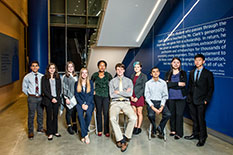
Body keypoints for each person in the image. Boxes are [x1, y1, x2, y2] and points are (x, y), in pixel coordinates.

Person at [184, 54, 214, 147]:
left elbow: (211, 88)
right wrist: (188, 97)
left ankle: (202, 137)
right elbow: (190, 86)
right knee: (194, 119)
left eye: (199, 60)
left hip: (201, 101)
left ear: (203, 61)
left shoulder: (208, 73)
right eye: (196, 60)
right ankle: (195, 134)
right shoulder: (192, 72)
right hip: (192, 100)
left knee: (201, 119)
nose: (197, 62)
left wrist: (206, 100)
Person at [109, 63, 137, 152]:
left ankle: (126, 137)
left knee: (133, 117)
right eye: (118, 69)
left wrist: (118, 92)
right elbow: (111, 95)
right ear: (116, 70)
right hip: (115, 103)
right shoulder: (112, 81)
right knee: (112, 118)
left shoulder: (129, 81)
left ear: (124, 70)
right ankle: (120, 139)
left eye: (121, 69)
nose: (120, 71)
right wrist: (124, 92)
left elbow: (129, 94)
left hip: (126, 103)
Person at [145, 67, 171, 139]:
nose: (155, 73)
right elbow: (147, 97)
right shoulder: (148, 83)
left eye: (157, 71)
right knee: (150, 115)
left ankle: (160, 127)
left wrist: (162, 106)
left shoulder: (163, 83)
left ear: (159, 73)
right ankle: (154, 127)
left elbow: (165, 95)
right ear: (151, 74)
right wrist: (153, 107)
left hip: (161, 102)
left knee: (168, 114)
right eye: (153, 72)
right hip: (151, 102)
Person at [164, 57, 187, 140]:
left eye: (178, 62)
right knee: (172, 114)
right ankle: (173, 130)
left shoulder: (183, 73)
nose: (176, 64)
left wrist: (171, 84)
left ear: (180, 64)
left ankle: (179, 133)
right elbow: (166, 84)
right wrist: (177, 84)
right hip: (170, 97)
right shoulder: (168, 73)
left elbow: (183, 84)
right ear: (171, 63)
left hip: (181, 97)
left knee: (179, 115)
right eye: (174, 62)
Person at [22, 61, 44, 139]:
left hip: (40, 98)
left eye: (36, 66)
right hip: (32, 98)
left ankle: (40, 128)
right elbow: (24, 88)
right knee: (31, 115)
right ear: (31, 67)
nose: (35, 67)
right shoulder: (27, 77)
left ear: (38, 67)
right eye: (33, 66)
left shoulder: (42, 76)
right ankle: (30, 131)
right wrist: (30, 95)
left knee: (40, 114)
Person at [91, 60, 112, 137]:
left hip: (106, 96)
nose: (102, 67)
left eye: (103, 65)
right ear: (98, 66)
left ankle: (106, 130)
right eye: (100, 65)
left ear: (105, 67)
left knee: (106, 113)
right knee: (98, 113)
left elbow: (112, 84)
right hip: (97, 96)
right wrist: (93, 91)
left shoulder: (108, 75)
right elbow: (90, 83)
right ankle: (99, 130)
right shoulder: (95, 75)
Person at [41, 63, 62, 140]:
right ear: (48, 69)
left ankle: (55, 131)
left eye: (53, 68)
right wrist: (51, 98)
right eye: (50, 68)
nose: (52, 69)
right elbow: (44, 90)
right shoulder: (44, 78)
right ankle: (49, 133)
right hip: (48, 100)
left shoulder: (58, 77)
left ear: (55, 69)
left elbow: (59, 89)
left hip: (56, 99)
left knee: (55, 116)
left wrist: (56, 98)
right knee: (49, 116)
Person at [74, 68, 94, 144]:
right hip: (80, 103)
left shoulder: (91, 82)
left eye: (86, 73)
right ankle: (85, 134)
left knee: (88, 114)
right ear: (80, 74)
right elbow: (76, 95)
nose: (84, 74)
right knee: (80, 115)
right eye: (83, 73)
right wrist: (82, 104)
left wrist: (87, 104)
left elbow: (91, 95)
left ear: (87, 74)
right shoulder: (76, 83)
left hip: (89, 103)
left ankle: (83, 133)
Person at [130, 61, 147, 135]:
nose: (136, 68)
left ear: (140, 68)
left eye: (138, 67)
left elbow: (144, 88)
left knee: (139, 112)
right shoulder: (132, 75)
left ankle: (138, 127)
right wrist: (131, 96)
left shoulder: (144, 76)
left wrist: (137, 97)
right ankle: (135, 126)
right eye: (135, 67)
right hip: (132, 96)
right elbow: (130, 86)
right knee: (134, 113)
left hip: (139, 96)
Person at [62, 61, 78, 135]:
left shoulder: (76, 76)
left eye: (72, 66)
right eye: (69, 66)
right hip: (69, 97)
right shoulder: (65, 77)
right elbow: (64, 88)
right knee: (69, 112)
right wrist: (66, 98)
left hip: (76, 97)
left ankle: (74, 124)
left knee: (74, 112)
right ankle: (69, 126)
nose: (70, 68)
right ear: (67, 68)